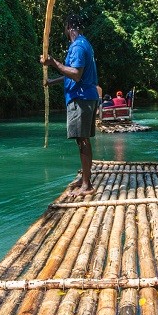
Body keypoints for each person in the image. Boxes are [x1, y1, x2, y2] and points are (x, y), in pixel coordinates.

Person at [41, 14, 100, 196]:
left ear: (69, 27)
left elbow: (75, 74)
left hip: (81, 98)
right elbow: (74, 74)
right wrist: (52, 81)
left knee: (82, 140)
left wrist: (53, 62)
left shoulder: (78, 47)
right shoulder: (83, 44)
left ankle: (87, 185)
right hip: (84, 96)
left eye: (65, 27)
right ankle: (85, 180)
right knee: (82, 140)